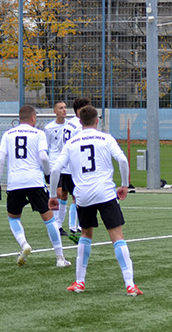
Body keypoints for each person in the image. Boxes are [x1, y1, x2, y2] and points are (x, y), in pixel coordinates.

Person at [48, 105, 142, 296]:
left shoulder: (72, 142)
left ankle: (80, 282)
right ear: (97, 121)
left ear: (80, 122)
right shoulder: (106, 138)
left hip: (83, 195)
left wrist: (51, 195)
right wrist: (124, 185)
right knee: (117, 236)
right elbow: (123, 161)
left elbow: (55, 170)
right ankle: (130, 284)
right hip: (106, 193)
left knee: (86, 234)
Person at [0, 105, 71, 268]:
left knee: (13, 218)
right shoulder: (39, 133)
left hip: (15, 182)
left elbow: (0, 159)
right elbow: (44, 157)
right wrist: (48, 174)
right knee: (49, 219)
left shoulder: (7, 134)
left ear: (19, 118)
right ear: (33, 118)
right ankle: (59, 257)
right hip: (35, 181)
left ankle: (24, 244)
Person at [60, 97, 92, 243]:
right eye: (86, 108)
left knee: (74, 197)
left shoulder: (68, 124)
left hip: (67, 167)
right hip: (75, 168)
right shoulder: (79, 126)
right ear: (79, 110)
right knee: (78, 198)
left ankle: (74, 227)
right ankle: (76, 228)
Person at [44, 100, 69, 236]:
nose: (64, 110)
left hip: (67, 164)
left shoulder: (70, 126)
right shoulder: (49, 128)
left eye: (65, 107)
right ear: (55, 111)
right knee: (57, 192)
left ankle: (60, 225)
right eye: (61, 108)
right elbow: (47, 147)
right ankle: (54, 224)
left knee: (65, 194)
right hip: (55, 164)